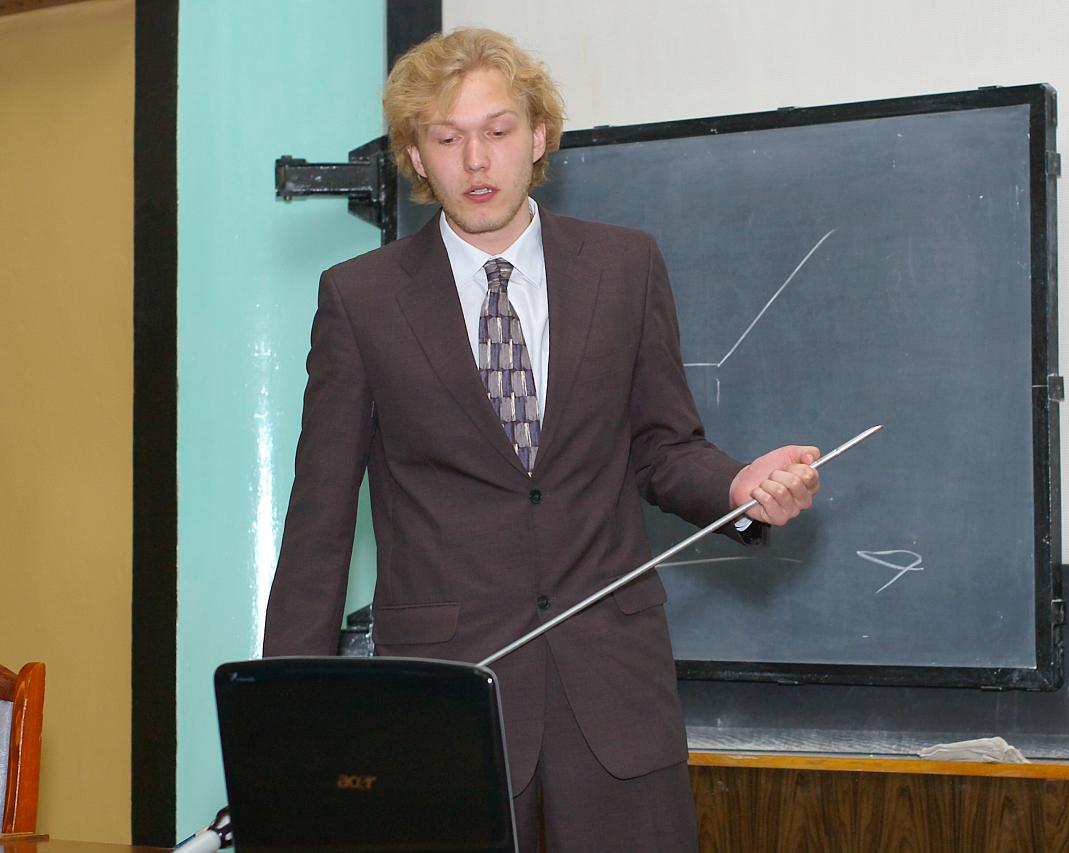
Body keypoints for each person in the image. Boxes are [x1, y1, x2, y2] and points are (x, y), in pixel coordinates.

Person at [264, 27, 820, 852]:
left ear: (538, 135)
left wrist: (739, 488)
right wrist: (286, 723)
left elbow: (664, 448)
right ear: (416, 157)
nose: (475, 160)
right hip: (448, 702)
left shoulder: (624, 266)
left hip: (616, 694)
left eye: (496, 130)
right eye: (446, 139)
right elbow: (319, 521)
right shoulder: (360, 298)